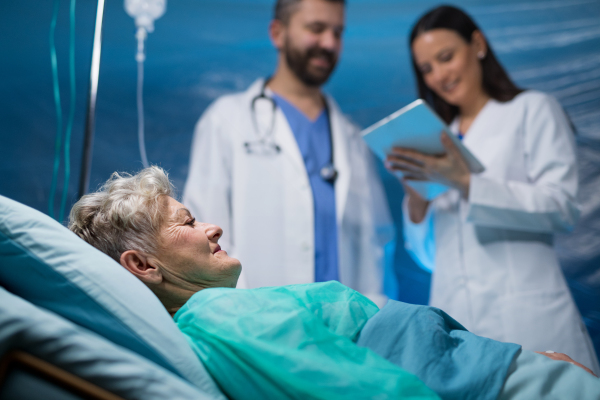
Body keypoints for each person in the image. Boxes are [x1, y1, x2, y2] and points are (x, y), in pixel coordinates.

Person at [69, 166, 600, 400]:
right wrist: (515, 377)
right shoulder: (215, 315)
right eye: (186, 222)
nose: (213, 226)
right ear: (142, 266)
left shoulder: (222, 316)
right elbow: (361, 389)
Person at [385, 5, 599, 374]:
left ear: (478, 44)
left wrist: (467, 183)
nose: (439, 75)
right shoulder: (439, 140)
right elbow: (432, 258)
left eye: (446, 57)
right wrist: (418, 201)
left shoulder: (532, 110)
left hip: (528, 322)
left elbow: (562, 209)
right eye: (427, 69)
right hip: (458, 328)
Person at [182, 0, 393, 305]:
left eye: (338, 32)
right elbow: (205, 238)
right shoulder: (227, 121)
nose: (330, 43)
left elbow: (375, 243)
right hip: (257, 323)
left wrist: (374, 314)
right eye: (316, 29)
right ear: (278, 33)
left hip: (344, 333)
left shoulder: (352, 139)